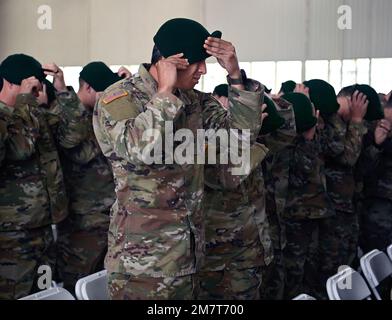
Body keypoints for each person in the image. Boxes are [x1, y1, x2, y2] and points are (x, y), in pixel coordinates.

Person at [93, 17, 265, 300]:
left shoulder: (195, 101)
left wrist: (235, 75)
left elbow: (241, 139)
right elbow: (136, 149)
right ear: (169, 61)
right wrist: (164, 93)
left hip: (191, 255)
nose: (203, 70)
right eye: (197, 62)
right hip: (143, 265)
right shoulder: (121, 98)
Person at [44, 61, 124, 293]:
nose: (107, 96)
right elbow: (77, 147)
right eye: (103, 90)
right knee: (78, 282)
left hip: (106, 216)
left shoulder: (99, 113)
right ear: (88, 87)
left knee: (103, 283)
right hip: (81, 221)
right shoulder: (64, 114)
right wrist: (63, 93)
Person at [0, 54, 69, 299]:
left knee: (44, 294)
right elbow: (21, 148)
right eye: (31, 87)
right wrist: (25, 101)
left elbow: (74, 136)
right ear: (9, 83)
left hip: (44, 228)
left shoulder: (32, 113)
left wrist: (61, 90)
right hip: (12, 235)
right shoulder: (11, 114)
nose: (38, 93)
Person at [280, 92, 334, 299]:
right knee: (295, 272)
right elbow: (303, 171)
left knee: (311, 270)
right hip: (296, 215)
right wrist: (308, 139)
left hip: (312, 215)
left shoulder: (306, 137)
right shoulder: (286, 142)